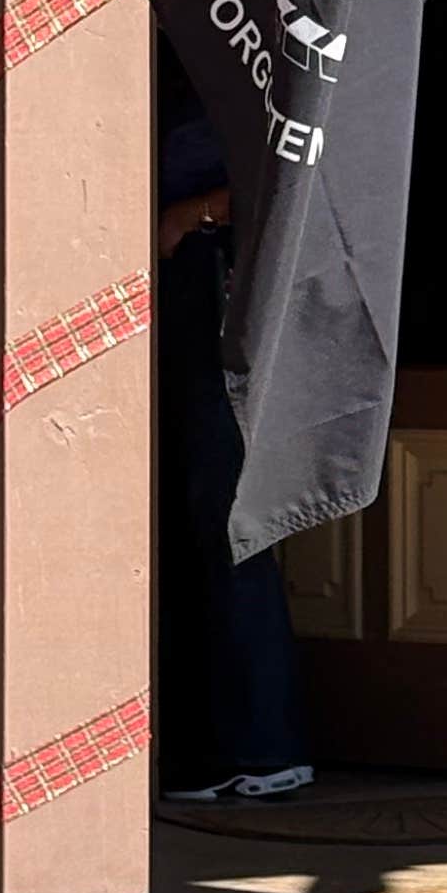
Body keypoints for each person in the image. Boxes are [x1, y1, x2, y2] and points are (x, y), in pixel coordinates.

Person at [155, 97, 313, 806]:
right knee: (208, 528)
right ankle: (238, 744)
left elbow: (297, 180)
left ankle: (255, 745)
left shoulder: (242, 64)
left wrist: (192, 217)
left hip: (226, 326)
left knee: (228, 526)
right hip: (195, 323)